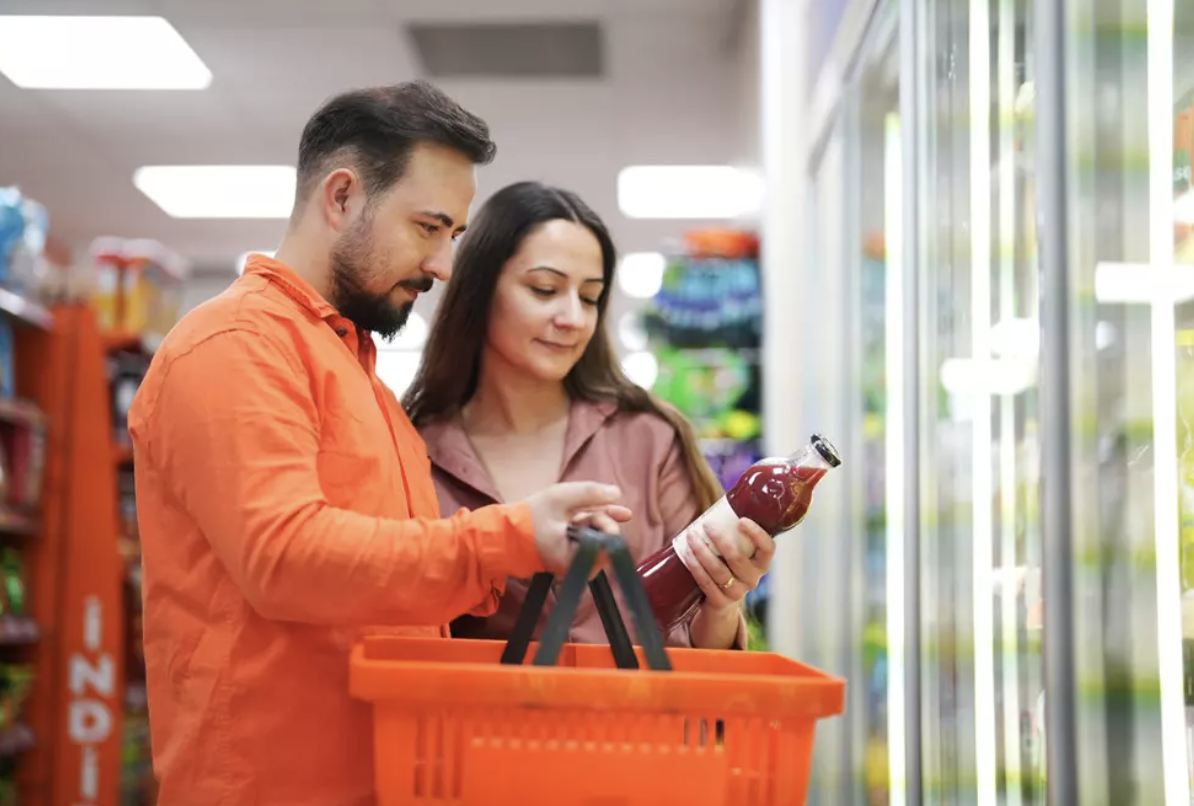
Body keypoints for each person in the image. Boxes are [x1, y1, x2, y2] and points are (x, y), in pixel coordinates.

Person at [127, 84, 628, 806]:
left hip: (382, 776)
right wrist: (504, 539)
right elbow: (284, 557)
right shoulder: (235, 345)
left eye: (454, 235)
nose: (445, 266)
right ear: (341, 198)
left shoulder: (357, 372)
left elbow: (388, 584)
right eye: (428, 227)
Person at [404, 181, 775, 650]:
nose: (573, 318)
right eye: (545, 289)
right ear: (479, 291)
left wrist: (723, 603)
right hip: (471, 722)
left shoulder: (650, 440)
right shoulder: (412, 449)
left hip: (635, 720)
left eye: (590, 296)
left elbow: (701, 648)